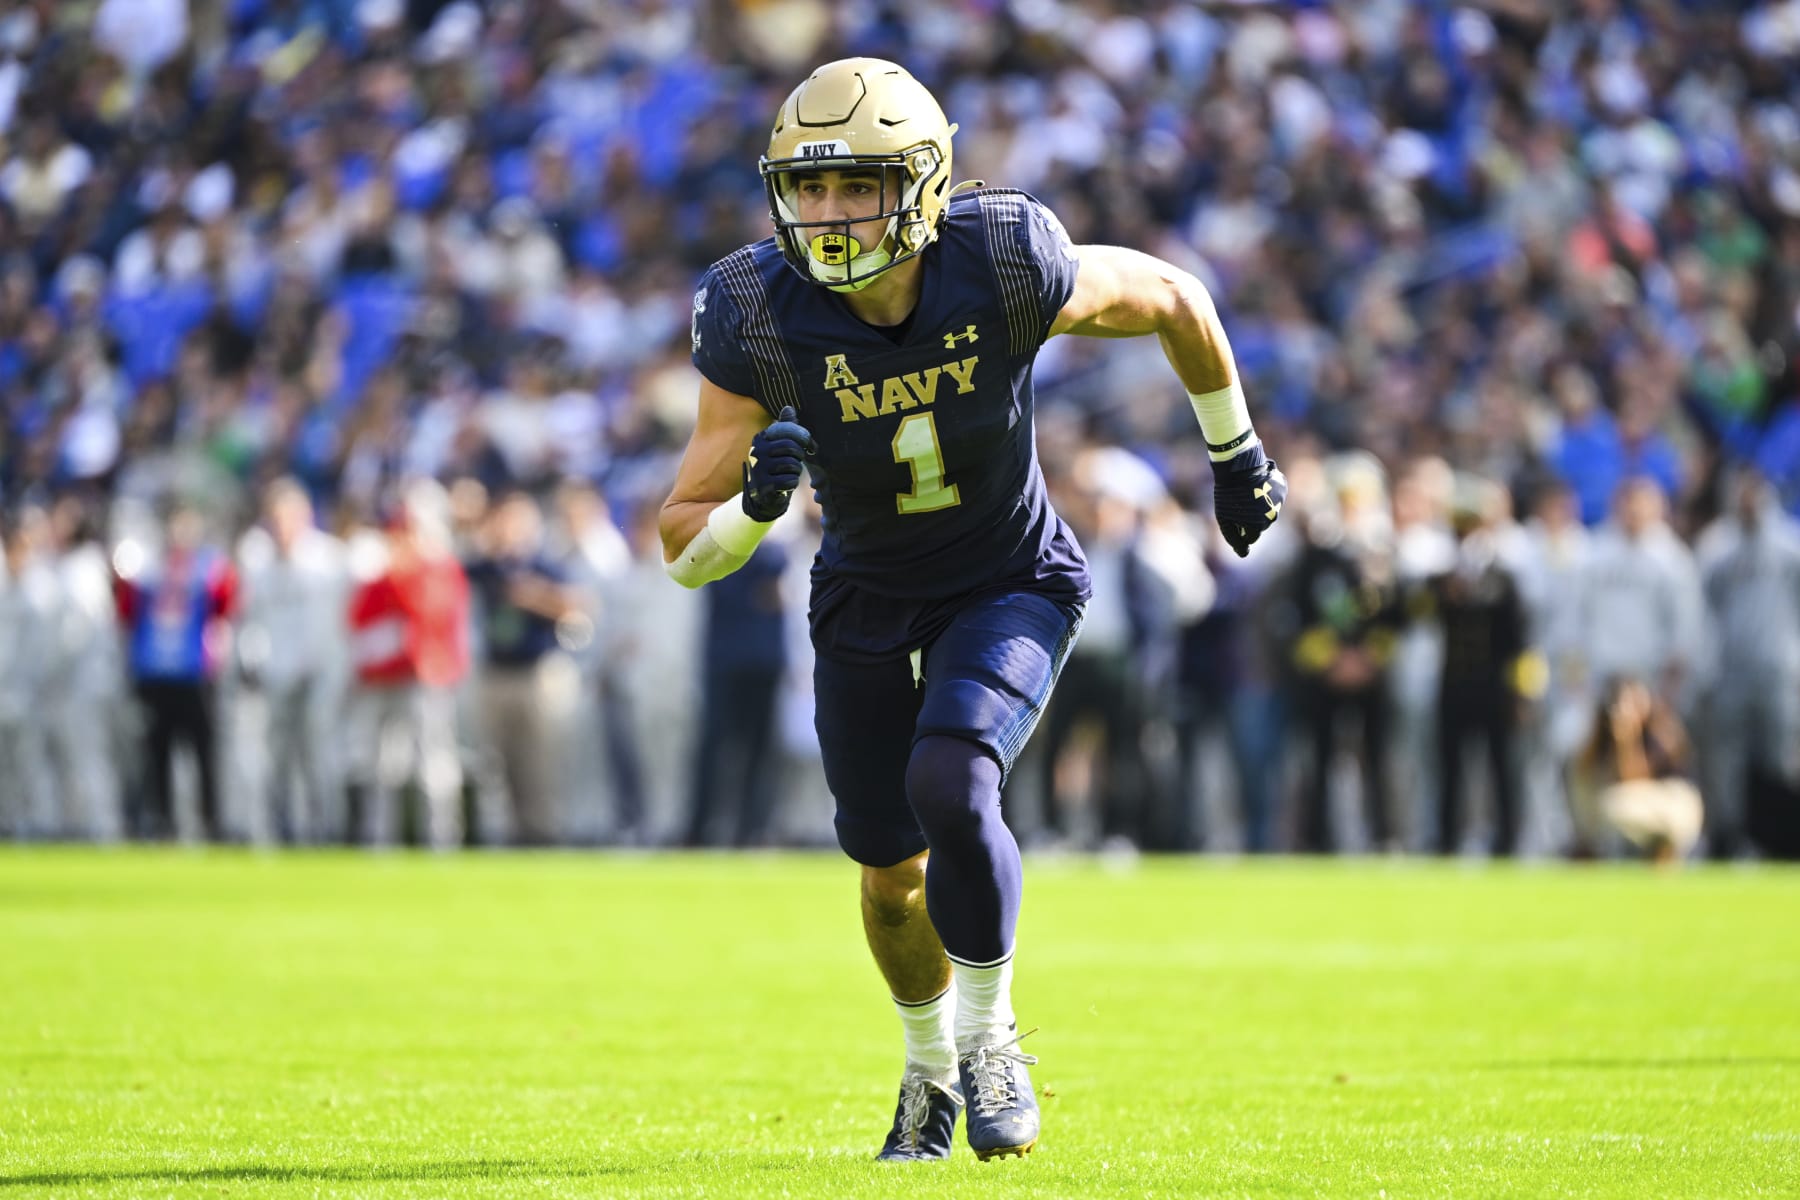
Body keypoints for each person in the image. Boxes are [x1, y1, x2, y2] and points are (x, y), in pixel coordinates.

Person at [659, 59, 1286, 1162]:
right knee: (890, 881)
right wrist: (754, 510)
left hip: (1008, 575)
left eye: (855, 185)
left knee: (951, 779)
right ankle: (926, 1070)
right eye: (806, 189)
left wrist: (1235, 452)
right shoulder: (757, 312)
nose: (827, 214)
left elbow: (1176, 297)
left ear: (924, 184)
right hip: (862, 590)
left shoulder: (1001, 260)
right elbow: (681, 549)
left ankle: (991, 1037)